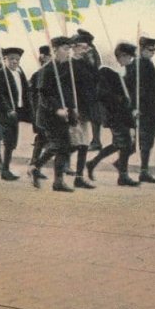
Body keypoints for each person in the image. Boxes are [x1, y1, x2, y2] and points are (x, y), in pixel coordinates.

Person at [85, 43, 140, 186]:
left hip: (122, 113)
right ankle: (123, 176)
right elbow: (102, 94)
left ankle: (92, 163)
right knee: (125, 144)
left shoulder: (119, 72)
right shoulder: (106, 72)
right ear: (122, 56)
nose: (130, 61)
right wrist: (120, 100)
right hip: (114, 114)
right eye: (129, 58)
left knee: (119, 144)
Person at [29, 37, 76, 192]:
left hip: (64, 114)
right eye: (65, 49)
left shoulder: (67, 68)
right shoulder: (47, 70)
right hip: (49, 116)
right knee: (60, 146)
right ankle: (54, 179)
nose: (68, 52)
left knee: (63, 147)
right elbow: (43, 96)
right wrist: (57, 109)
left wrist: (72, 109)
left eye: (69, 49)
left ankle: (38, 169)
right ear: (55, 50)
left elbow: (69, 92)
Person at [0, 47, 30, 181]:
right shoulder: (0, 74)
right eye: (12, 59)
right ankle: (5, 170)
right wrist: (8, 109)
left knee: (13, 141)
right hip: (5, 113)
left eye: (17, 59)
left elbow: (25, 91)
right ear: (5, 59)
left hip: (17, 111)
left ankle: (6, 168)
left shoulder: (19, 72)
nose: (15, 62)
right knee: (9, 141)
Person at [126, 36, 155, 183]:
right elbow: (131, 89)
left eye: (154, 50)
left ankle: (143, 170)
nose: (152, 52)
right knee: (143, 140)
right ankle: (142, 171)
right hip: (142, 108)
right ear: (142, 49)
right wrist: (134, 108)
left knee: (148, 139)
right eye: (150, 50)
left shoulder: (148, 64)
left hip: (151, 107)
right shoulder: (136, 65)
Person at [65, 35, 97, 188]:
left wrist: (91, 59)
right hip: (73, 109)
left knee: (84, 144)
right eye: (83, 47)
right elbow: (66, 89)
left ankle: (79, 177)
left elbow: (95, 79)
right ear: (75, 47)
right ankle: (36, 166)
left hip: (85, 109)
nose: (86, 50)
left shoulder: (86, 63)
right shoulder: (68, 64)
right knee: (71, 144)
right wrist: (71, 107)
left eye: (87, 48)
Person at [75, 29, 104, 151]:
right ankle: (89, 141)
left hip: (90, 89)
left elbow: (93, 69)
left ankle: (95, 141)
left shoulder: (90, 53)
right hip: (87, 89)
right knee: (87, 116)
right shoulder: (91, 52)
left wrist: (81, 58)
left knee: (92, 116)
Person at [28, 46, 51, 176]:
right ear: (44, 58)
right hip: (41, 113)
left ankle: (34, 165)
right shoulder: (39, 74)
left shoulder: (52, 72)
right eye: (50, 57)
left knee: (42, 139)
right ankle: (34, 166)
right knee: (43, 139)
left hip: (48, 113)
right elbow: (33, 98)